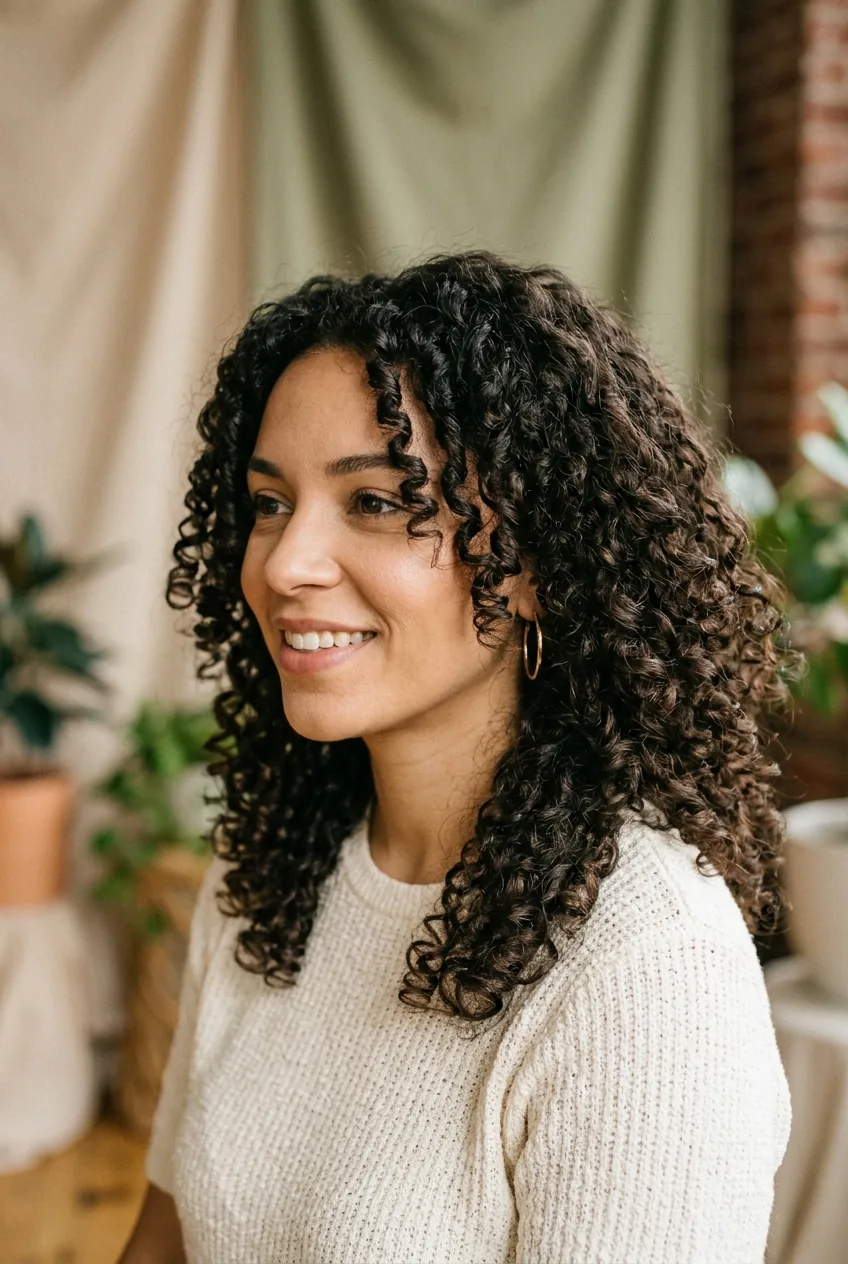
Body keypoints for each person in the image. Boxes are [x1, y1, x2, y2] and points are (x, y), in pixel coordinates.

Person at [118, 251, 793, 1264]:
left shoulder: (645, 963)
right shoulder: (268, 871)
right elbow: (166, 1238)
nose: (287, 563)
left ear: (530, 563)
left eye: (378, 501)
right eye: (268, 502)